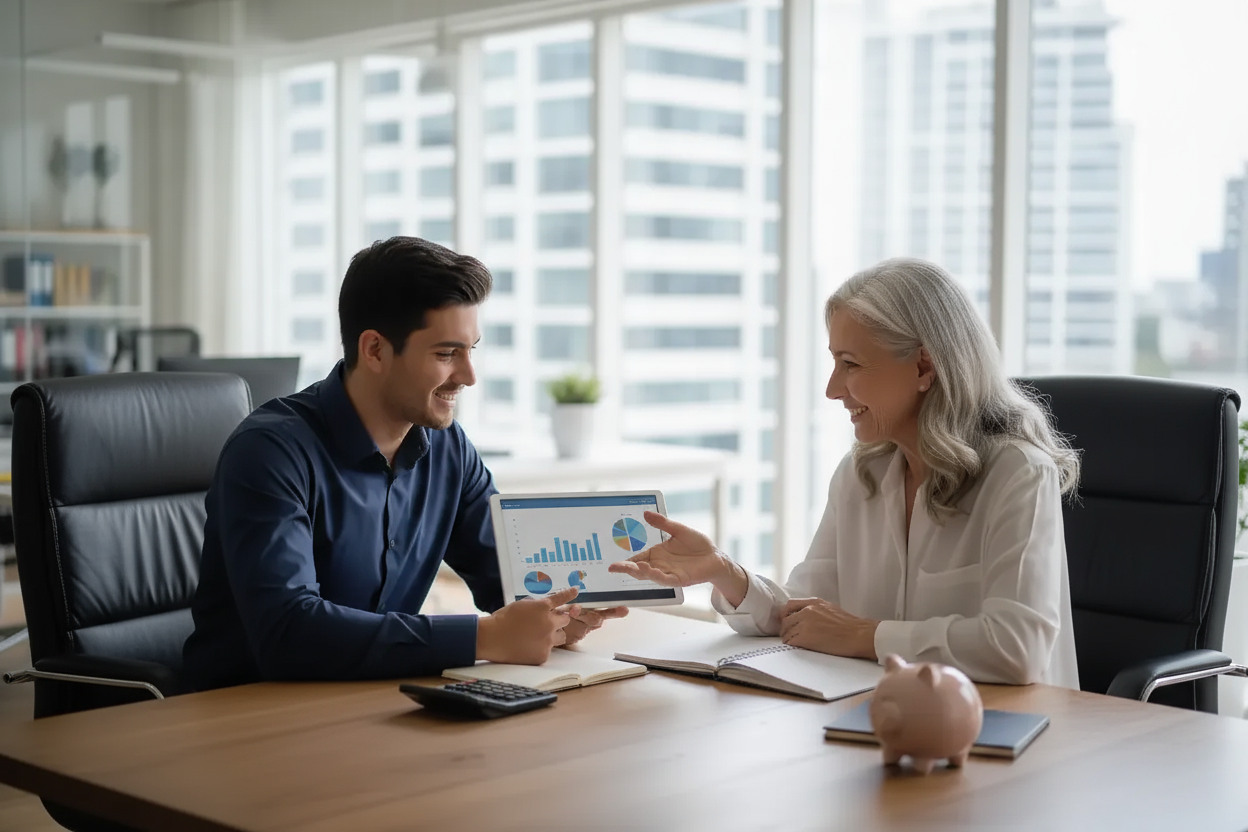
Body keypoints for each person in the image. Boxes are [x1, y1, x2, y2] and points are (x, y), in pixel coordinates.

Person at [610, 257, 1080, 688]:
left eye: (850, 364)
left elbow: (1017, 648)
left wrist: (865, 635)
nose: (833, 389)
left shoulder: (1018, 473)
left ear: (923, 366)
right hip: (891, 717)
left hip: (1011, 729)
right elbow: (804, 613)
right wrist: (723, 572)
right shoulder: (863, 473)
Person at [184, 237, 626, 691]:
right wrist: (485, 637)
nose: (469, 376)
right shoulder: (269, 453)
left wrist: (564, 612)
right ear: (375, 350)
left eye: (471, 350)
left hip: (374, 701)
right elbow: (289, 633)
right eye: (446, 354)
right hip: (246, 711)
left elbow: (512, 579)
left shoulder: (448, 447)